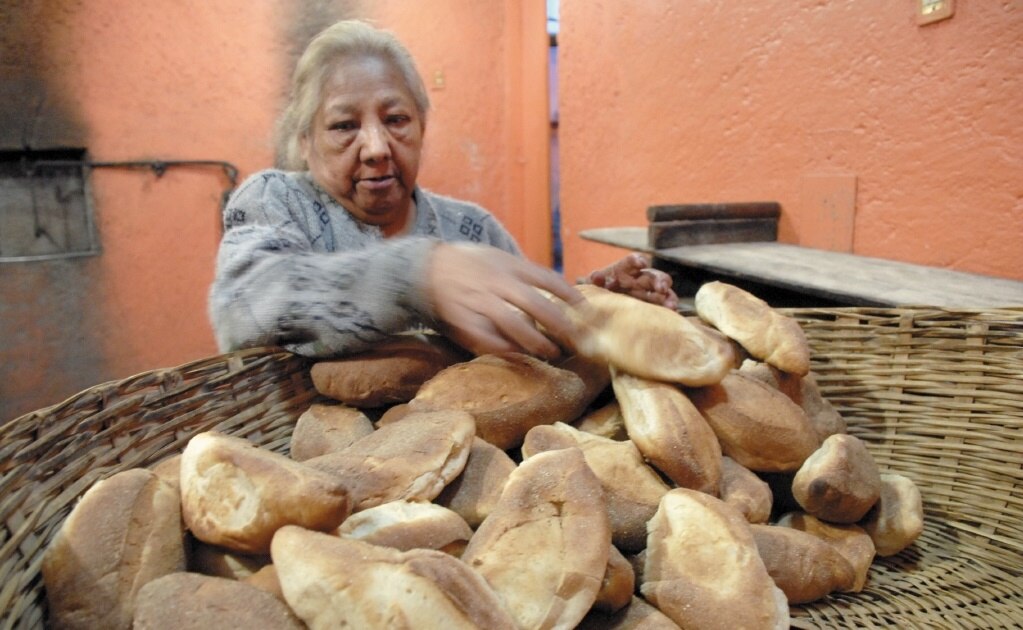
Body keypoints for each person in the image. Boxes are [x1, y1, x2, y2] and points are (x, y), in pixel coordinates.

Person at [208, 19, 676, 361]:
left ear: (422, 126)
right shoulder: (278, 201)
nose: (376, 148)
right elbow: (244, 306)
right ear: (305, 141)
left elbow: (532, 337)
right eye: (344, 125)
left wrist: (595, 306)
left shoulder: (472, 229)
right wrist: (417, 277)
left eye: (396, 120)